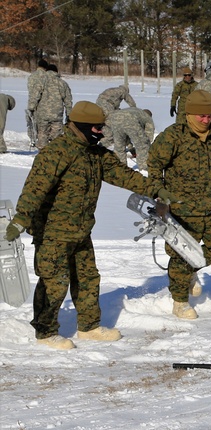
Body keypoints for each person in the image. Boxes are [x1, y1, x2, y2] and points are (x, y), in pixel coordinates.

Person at [4, 101, 172, 350]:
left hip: (81, 230)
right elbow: (35, 189)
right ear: (81, 126)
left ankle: (89, 327)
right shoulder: (56, 153)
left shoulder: (96, 154)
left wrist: (155, 189)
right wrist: (20, 221)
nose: (101, 132)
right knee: (54, 281)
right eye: (96, 128)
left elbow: (124, 175)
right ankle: (46, 331)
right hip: (53, 234)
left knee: (88, 279)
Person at [147, 90, 211, 320]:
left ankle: (188, 272)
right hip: (180, 208)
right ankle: (180, 301)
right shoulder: (173, 136)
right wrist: (159, 195)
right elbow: (155, 164)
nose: (206, 120)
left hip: (209, 205)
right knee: (181, 254)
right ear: (189, 114)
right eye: (201, 116)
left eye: (209, 115)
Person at [30, 64, 72, 149]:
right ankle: (54, 153)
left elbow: (35, 96)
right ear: (56, 72)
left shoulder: (41, 81)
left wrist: (31, 108)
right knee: (56, 137)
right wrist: (69, 114)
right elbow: (68, 101)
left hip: (42, 114)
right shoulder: (62, 83)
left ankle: (42, 153)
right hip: (57, 115)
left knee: (42, 134)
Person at [25, 58, 48, 148]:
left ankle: (32, 139)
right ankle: (42, 141)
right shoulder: (46, 76)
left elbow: (30, 90)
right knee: (42, 125)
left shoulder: (31, 76)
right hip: (43, 104)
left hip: (31, 102)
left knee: (31, 122)